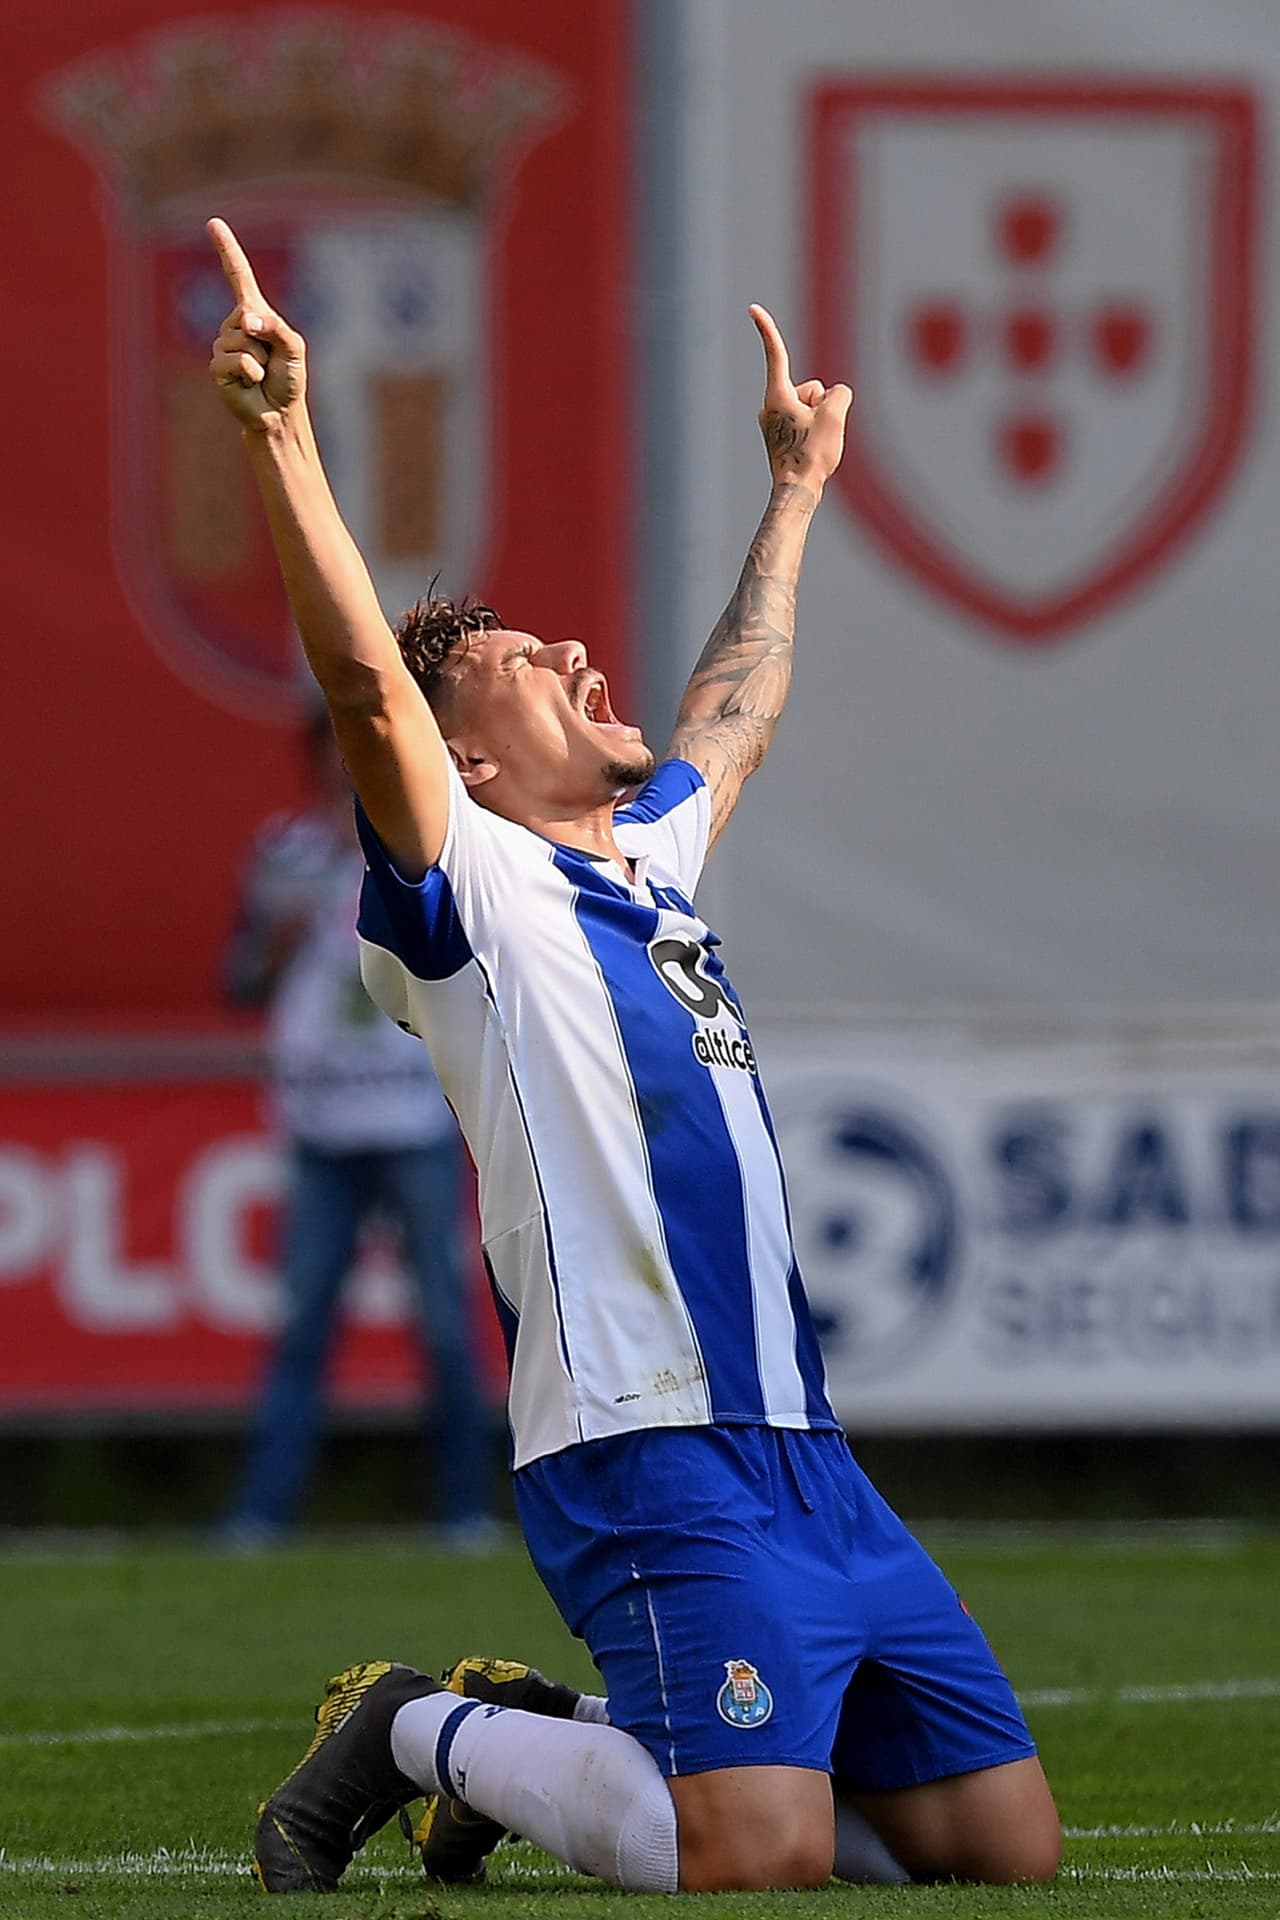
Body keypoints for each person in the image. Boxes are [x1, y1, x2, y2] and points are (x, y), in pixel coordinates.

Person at [206, 215, 1062, 1894]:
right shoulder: (466, 884)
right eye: (524, 665)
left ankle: (571, 1729)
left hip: (804, 1448)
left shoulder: (647, 859)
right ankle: (413, 1729)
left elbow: (737, 707)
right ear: (464, 761)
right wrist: (285, 432)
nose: (576, 656)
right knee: (758, 1858)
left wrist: (795, 493)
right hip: (641, 1437)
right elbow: (368, 691)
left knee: (1000, 1852)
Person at [220, 709, 497, 1549]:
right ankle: (263, 1517)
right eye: (333, 757)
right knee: (302, 1325)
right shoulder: (285, 855)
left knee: (446, 1326)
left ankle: (466, 1512)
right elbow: (239, 981)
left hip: (411, 1116)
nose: (346, 772)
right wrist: (278, 940)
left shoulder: (426, 849)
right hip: (321, 1123)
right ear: (312, 763)